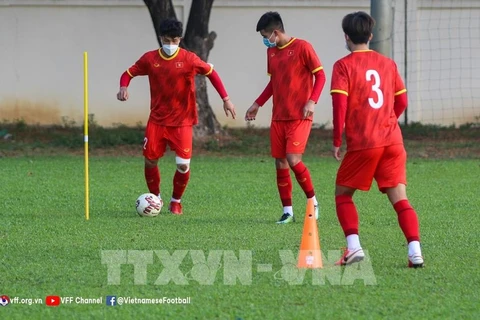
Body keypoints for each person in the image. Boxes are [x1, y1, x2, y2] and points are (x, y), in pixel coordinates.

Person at [330, 11, 424, 267]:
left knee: (343, 194)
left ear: (346, 37)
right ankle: (415, 251)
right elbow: (402, 101)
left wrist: (337, 139)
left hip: (365, 142)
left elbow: (339, 105)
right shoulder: (388, 63)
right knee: (400, 199)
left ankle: (353, 247)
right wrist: (388, 119)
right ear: (370, 36)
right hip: (393, 141)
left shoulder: (343, 65)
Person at [117, 18, 236, 215]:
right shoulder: (150, 59)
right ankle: (156, 199)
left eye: (175, 40)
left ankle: (176, 201)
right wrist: (123, 87)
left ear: (180, 39)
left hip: (182, 121)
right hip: (157, 121)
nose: (171, 44)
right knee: (150, 161)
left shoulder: (189, 59)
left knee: (182, 165)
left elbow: (211, 73)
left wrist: (226, 99)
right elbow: (127, 73)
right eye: (167, 40)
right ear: (160, 38)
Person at [245, 12, 326, 224]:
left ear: (275, 32)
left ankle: (313, 202)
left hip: (300, 116)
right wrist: (257, 104)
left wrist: (312, 101)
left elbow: (321, 75)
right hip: (278, 117)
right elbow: (274, 83)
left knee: (293, 159)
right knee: (280, 162)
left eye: (265, 35)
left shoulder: (303, 47)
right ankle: (288, 211)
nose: (264, 40)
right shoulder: (271, 52)